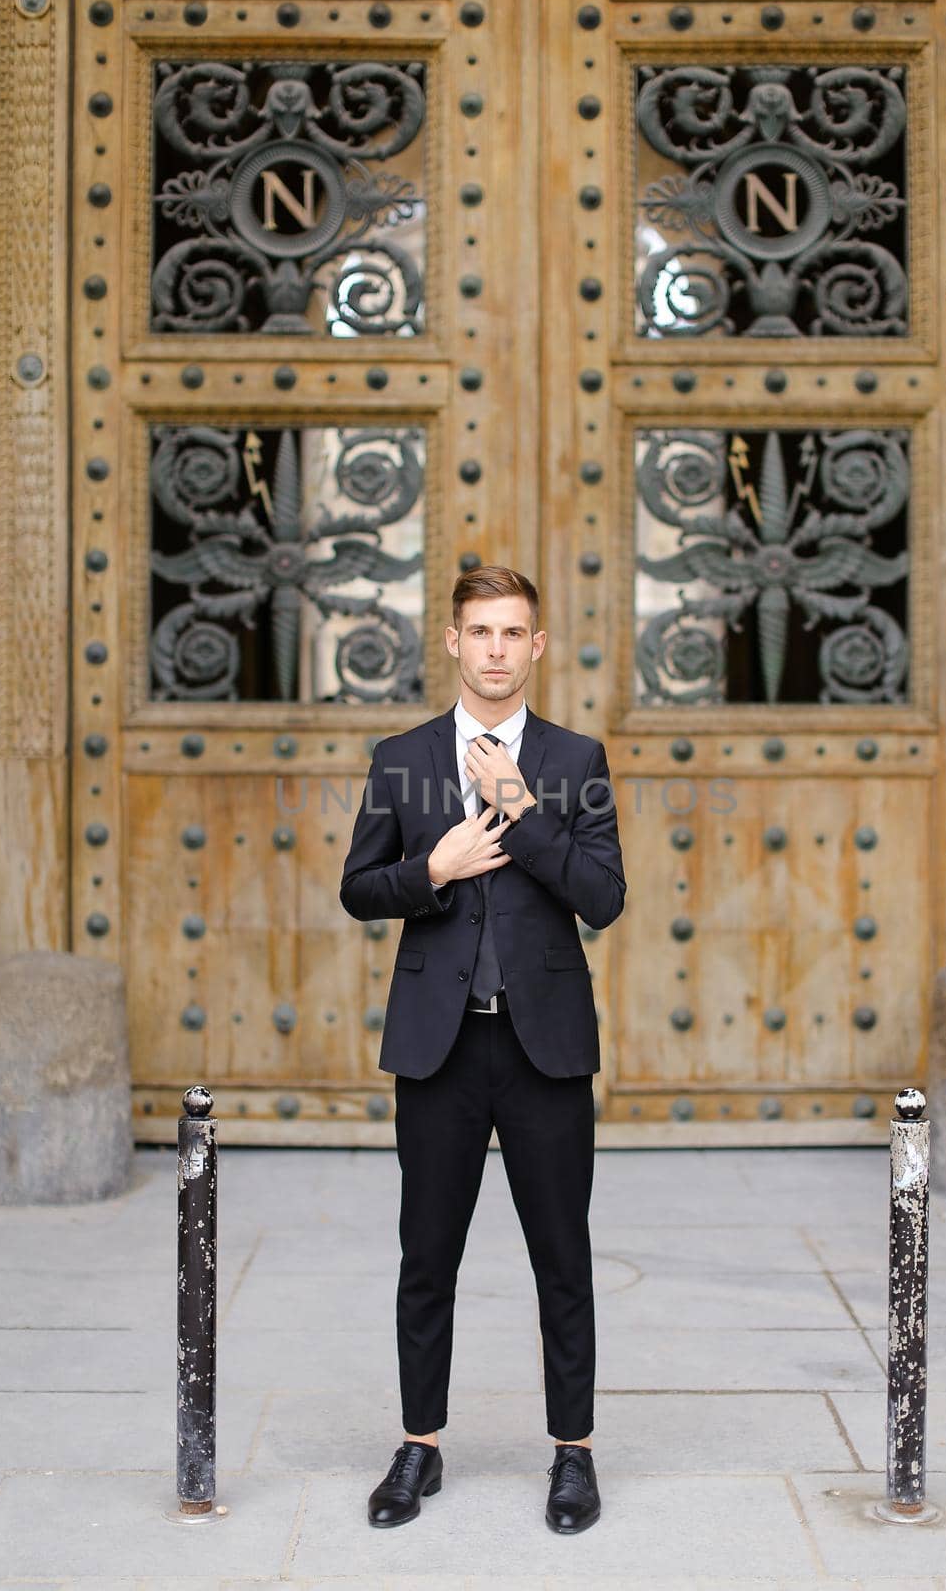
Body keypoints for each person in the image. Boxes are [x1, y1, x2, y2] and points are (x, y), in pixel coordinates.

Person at [339, 565, 626, 1534]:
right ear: (452, 643)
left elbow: (602, 896)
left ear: (536, 645)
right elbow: (358, 887)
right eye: (480, 631)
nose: (496, 648)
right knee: (427, 1257)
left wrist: (523, 809)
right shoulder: (401, 756)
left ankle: (573, 1455)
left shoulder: (575, 757)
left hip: (545, 1050)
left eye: (513, 632)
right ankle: (418, 1445)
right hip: (439, 1050)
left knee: (562, 1260)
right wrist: (432, 868)